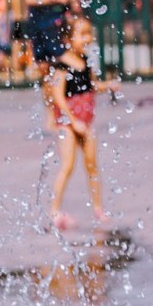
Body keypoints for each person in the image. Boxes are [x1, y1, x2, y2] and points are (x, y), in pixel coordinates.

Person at [47, 12, 116, 232]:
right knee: (67, 165)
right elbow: (58, 96)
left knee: (92, 165)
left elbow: (92, 86)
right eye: (82, 34)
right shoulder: (62, 65)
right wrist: (73, 121)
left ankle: (98, 208)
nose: (87, 39)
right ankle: (54, 210)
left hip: (85, 122)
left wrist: (109, 86)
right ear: (68, 39)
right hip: (68, 123)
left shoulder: (86, 61)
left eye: (89, 34)